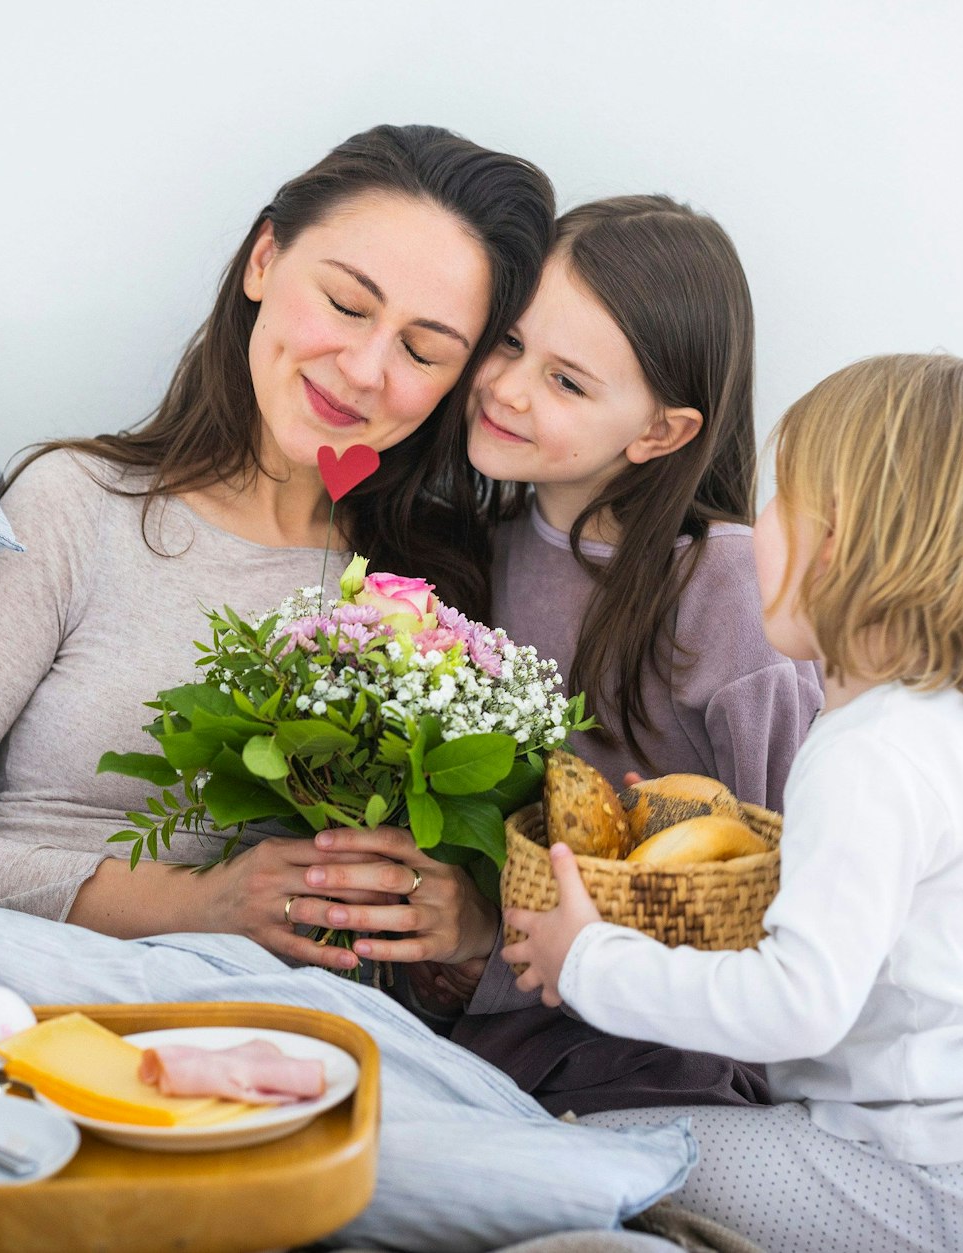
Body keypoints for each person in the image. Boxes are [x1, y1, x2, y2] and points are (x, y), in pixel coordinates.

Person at [0, 124, 554, 971]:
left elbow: (462, 966)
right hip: (34, 990)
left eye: (423, 350)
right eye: (348, 305)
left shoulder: (444, 585)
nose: (363, 368)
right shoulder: (78, 505)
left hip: (304, 1046)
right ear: (263, 262)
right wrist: (194, 904)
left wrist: (466, 931)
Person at [503, 353, 963, 1252]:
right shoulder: (953, 721)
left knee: (569, 1155)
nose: (753, 527)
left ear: (839, 539)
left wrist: (588, 959)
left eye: (780, 501)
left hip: (926, 1180)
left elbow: (799, 1003)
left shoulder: (871, 754)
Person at [295, 198, 821, 1025]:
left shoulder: (729, 591)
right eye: (509, 342)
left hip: (656, 1058)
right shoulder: (469, 553)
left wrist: (485, 939)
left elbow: (789, 901)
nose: (504, 388)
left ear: (660, 430)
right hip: (475, 1042)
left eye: (566, 380)